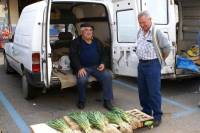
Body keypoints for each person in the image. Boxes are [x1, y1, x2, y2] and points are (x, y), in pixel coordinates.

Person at [136, 11, 171, 127]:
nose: (142, 25)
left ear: (150, 20)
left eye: (144, 23)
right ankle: (146, 111)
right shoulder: (139, 32)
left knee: (153, 92)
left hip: (152, 64)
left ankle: (157, 115)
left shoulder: (156, 32)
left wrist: (159, 60)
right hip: (141, 64)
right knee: (143, 90)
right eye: (140, 23)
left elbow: (166, 48)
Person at [69, 23, 114, 110]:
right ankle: (81, 100)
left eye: (90, 30)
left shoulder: (97, 42)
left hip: (96, 67)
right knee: (82, 80)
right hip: (83, 68)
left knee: (108, 76)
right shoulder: (76, 42)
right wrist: (79, 68)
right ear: (81, 31)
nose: (89, 32)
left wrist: (102, 63)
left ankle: (107, 101)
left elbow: (103, 54)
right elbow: (73, 56)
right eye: (86, 30)